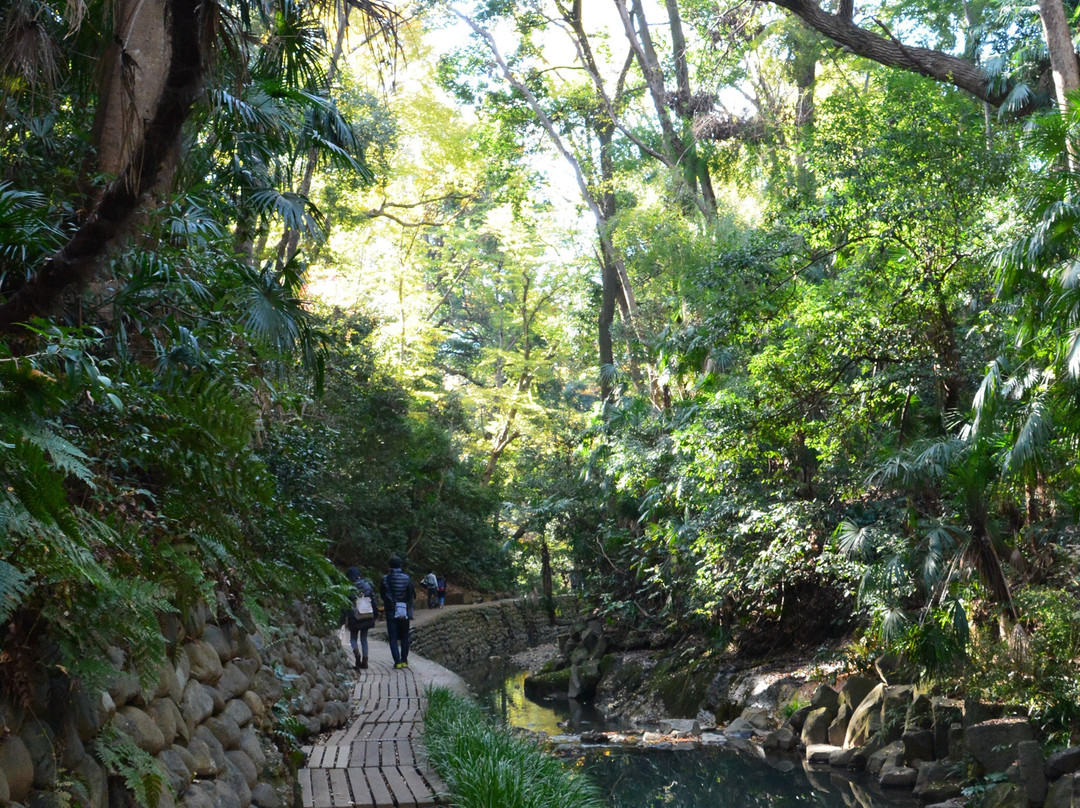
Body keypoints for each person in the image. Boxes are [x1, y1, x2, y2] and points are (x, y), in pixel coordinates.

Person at [380, 555, 415, 669]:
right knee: (405, 635)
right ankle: (404, 660)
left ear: (390, 566)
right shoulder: (406, 578)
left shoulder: (386, 579)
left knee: (393, 637)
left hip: (391, 610)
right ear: (400, 565)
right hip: (403, 610)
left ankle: (397, 662)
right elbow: (411, 594)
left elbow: (382, 594)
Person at [343, 567, 379, 671]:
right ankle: (365, 661)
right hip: (366, 616)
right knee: (364, 639)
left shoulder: (348, 588)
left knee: (353, 638)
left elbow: (345, 605)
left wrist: (343, 619)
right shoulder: (367, 586)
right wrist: (375, 614)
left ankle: (357, 654)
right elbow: (374, 601)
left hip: (354, 617)